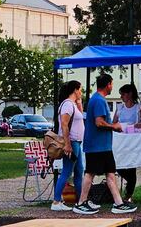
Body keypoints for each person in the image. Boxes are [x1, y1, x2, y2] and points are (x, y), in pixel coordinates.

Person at [72, 74, 135, 215]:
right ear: (108, 85)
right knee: (90, 173)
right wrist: (115, 126)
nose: (112, 86)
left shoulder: (98, 99)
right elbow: (99, 122)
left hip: (104, 146)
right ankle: (81, 203)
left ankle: (118, 203)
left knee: (110, 174)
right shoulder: (99, 100)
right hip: (97, 145)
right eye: (112, 84)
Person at [51, 80, 84, 212]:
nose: (81, 92)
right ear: (75, 90)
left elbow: (81, 116)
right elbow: (64, 124)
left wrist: (79, 102)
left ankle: (81, 200)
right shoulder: (67, 105)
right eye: (80, 89)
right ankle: (56, 201)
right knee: (67, 171)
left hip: (77, 142)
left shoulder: (73, 105)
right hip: (72, 142)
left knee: (79, 170)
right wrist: (68, 144)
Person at [112, 83, 141, 203]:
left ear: (130, 94)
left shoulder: (139, 107)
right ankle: (128, 184)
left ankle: (129, 194)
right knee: (118, 165)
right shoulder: (119, 108)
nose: (121, 96)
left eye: (123, 94)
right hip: (120, 141)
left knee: (132, 167)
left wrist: (140, 125)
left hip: (133, 142)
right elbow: (113, 124)